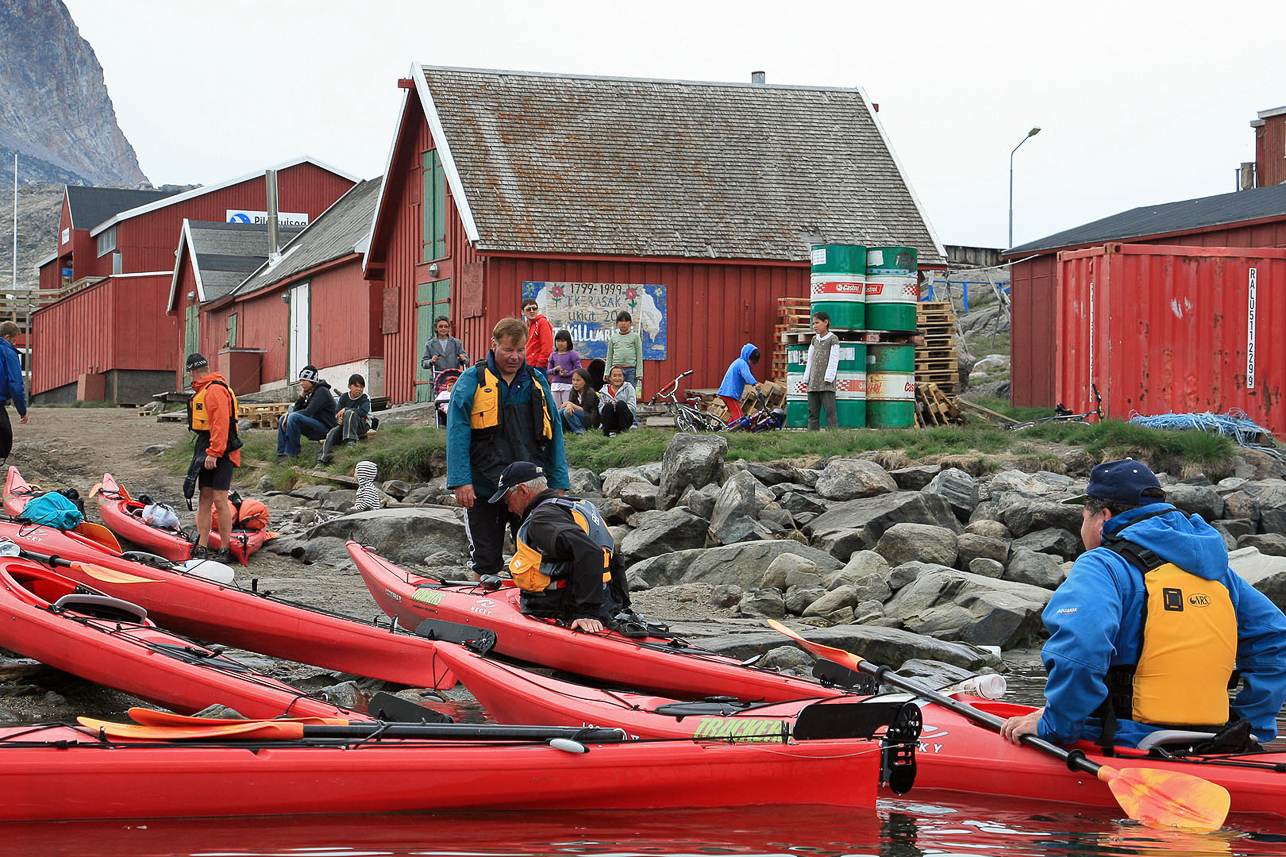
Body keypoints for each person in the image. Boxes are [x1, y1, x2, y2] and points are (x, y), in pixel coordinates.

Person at [1000, 459, 1286, 751]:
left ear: (1103, 517)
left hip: (1123, 739)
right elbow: (1277, 636)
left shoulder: (1102, 565)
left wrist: (1055, 725)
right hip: (1209, 742)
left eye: (1083, 516)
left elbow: (1081, 650)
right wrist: (1249, 725)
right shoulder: (1220, 575)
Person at [447, 317, 570, 577]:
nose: (514, 357)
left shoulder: (536, 381)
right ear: (494, 346)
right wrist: (460, 481)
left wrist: (558, 481)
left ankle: (533, 607)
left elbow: (554, 432)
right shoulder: (472, 380)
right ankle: (481, 604)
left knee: (534, 556)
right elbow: (457, 432)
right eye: (508, 350)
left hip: (529, 490)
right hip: (483, 487)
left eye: (520, 350)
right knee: (486, 559)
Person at [490, 461, 622, 632]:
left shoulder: (542, 518)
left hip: (570, 610)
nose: (509, 508)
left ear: (523, 490)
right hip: (607, 600)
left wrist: (587, 613)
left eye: (508, 500)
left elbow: (590, 552)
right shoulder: (574, 506)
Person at [185, 353, 240, 563]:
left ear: (192, 372)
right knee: (204, 498)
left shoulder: (214, 389)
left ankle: (225, 549)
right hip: (206, 446)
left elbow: (220, 423)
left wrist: (214, 453)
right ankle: (202, 546)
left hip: (220, 450)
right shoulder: (206, 388)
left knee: (220, 498)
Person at [277, 365, 338, 459]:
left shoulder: (322, 392)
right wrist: (301, 397)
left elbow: (308, 412)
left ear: (312, 380)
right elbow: (297, 410)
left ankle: (292, 454)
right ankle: (281, 454)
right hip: (316, 425)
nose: (301, 383)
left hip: (327, 429)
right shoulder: (312, 392)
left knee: (293, 417)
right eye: (301, 380)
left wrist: (289, 415)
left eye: (304, 380)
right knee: (282, 419)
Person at [317, 374, 372, 465]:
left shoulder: (365, 397)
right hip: (346, 425)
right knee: (332, 433)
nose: (359, 389)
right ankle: (322, 460)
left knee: (350, 413)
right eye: (356, 386)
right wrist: (339, 420)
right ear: (349, 386)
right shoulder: (344, 397)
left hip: (363, 425)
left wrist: (346, 409)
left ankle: (351, 442)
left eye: (361, 387)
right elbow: (337, 413)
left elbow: (363, 412)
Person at [0, 321, 29, 463]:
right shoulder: (8, 352)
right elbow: (15, 384)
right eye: (14, 340)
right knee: (4, 437)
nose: (15, 344)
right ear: (6, 337)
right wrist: (22, 410)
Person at [805, 311, 839, 431]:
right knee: (813, 412)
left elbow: (834, 359)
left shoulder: (833, 339)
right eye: (813, 323)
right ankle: (812, 435)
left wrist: (829, 377)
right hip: (813, 381)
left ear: (826, 322)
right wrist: (807, 377)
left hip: (826, 383)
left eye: (817, 323)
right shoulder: (814, 340)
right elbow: (810, 359)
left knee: (830, 411)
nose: (814, 326)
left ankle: (833, 435)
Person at [718, 343, 763, 423]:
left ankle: (729, 430)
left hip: (728, 392)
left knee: (736, 413)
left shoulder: (739, 362)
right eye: (751, 361)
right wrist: (755, 383)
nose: (751, 364)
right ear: (747, 356)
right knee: (738, 416)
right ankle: (736, 432)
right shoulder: (742, 363)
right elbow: (747, 375)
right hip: (729, 393)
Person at [605, 310, 643, 396]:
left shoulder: (635, 337)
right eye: (621, 321)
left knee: (630, 393)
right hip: (616, 371)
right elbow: (609, 356)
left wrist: (639, 373)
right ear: (617, 323)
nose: (623, 323)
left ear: (630, 323)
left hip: (631, 370)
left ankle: (630, 409)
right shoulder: (614, 338)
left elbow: (639, 355)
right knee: (617, 393)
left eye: (626, 321)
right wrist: (607, 372)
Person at [546, 330, 582, 408]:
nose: (560, 344)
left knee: (567, 407)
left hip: (568, 385)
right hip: (555, 385)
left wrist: (567, 374)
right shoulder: (553, 355)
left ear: (568, 342)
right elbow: (548, 371)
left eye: (563, 341)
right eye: (558, 341)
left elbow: (579, 369)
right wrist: (555, 370)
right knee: (556, 408)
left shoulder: (573, 354)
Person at [598, 366, 636, 437]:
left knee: (621, 404)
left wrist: (617, 404)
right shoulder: (604, 390)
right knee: (608, 406)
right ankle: (607, 432)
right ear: (610, 378)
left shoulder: (629, 388)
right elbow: (600, 410)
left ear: (623, 377)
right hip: (609, 419)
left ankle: (623, 431)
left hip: (624, 419)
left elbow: (633, 407)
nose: (617, 378)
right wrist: (607, 405)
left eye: (620, 376)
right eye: (614, 376)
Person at [559, 368, 599, 435]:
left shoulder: (590, 392)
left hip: (591, 418)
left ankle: (580, 431)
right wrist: (569, 405)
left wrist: (569, 404)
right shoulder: (573, 390)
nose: (575, 383)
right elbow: (570, 402)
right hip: (578, 414)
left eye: (578, 380)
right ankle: (563, 432)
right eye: (573, 380)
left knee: (567, 412)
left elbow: (584, 409)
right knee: (561, 411)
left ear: (585, 381)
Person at [522, 298, 553, 371]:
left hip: (539, 367)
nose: (532, 311)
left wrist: (540, 365)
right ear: (522, 312)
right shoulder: (526, 326)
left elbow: (547, 346)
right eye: (528, 309)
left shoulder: (542, 322)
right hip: (527, 366)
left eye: (534, 309)